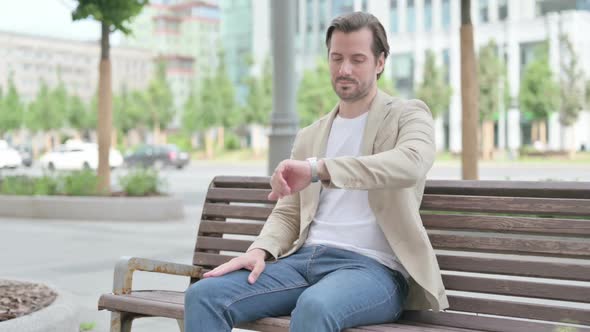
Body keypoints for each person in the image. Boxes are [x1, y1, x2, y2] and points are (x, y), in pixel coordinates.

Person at [184, 12, 448, 332]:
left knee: (315, 307)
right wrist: (259, 250)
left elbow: (411, 163)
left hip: (373, 271)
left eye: (357, 59)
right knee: (204, 295)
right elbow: (289, 211)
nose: (344, 69)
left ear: (380, 62)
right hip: (302, 262)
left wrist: (318, 169)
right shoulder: (311, 135)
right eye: (336, 58)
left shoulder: (408, 115)